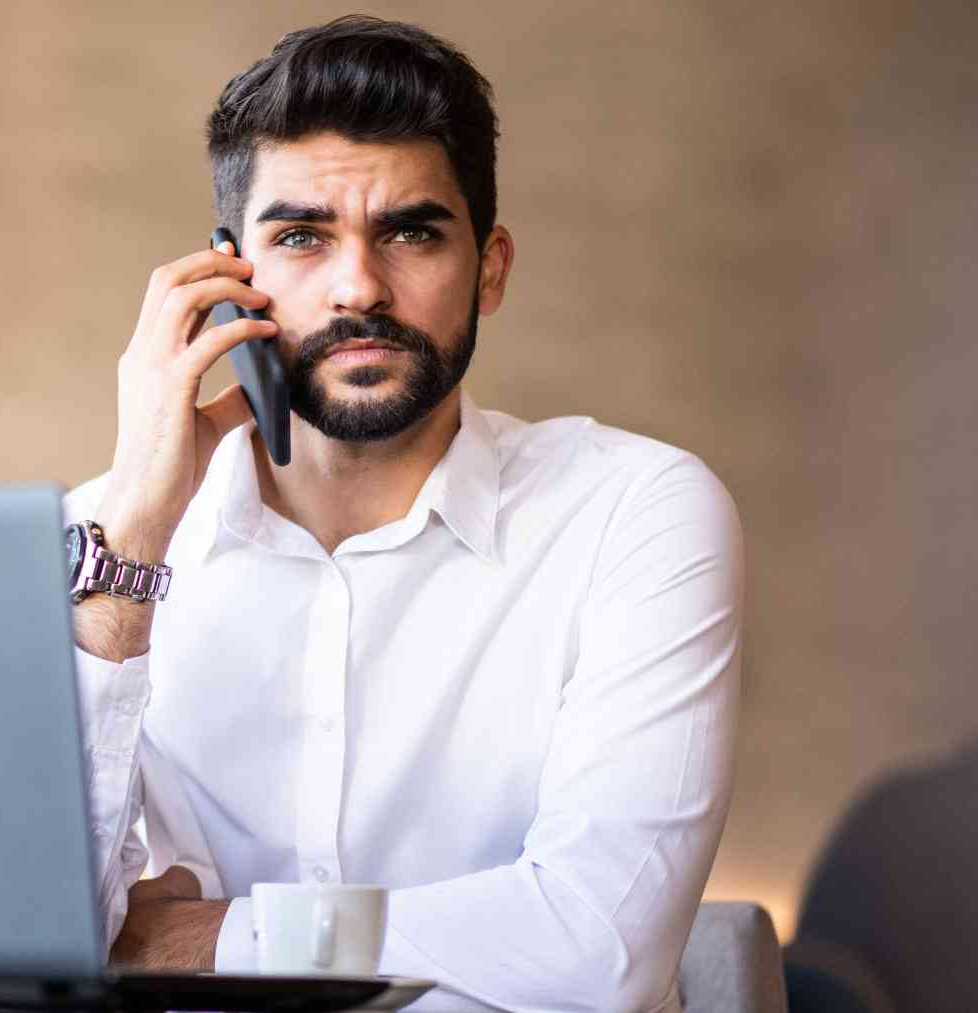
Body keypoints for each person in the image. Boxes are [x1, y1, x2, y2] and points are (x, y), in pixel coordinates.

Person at [62, 15, 744, 1012]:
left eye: (412, 231)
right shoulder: (105, 541)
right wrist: (131, 543)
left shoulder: (635, 515)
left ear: (492, 268)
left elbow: (598, 950)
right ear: (225, 278)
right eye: (301, 235)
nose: (360, 288)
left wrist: (212, 935)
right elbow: (31, 941)